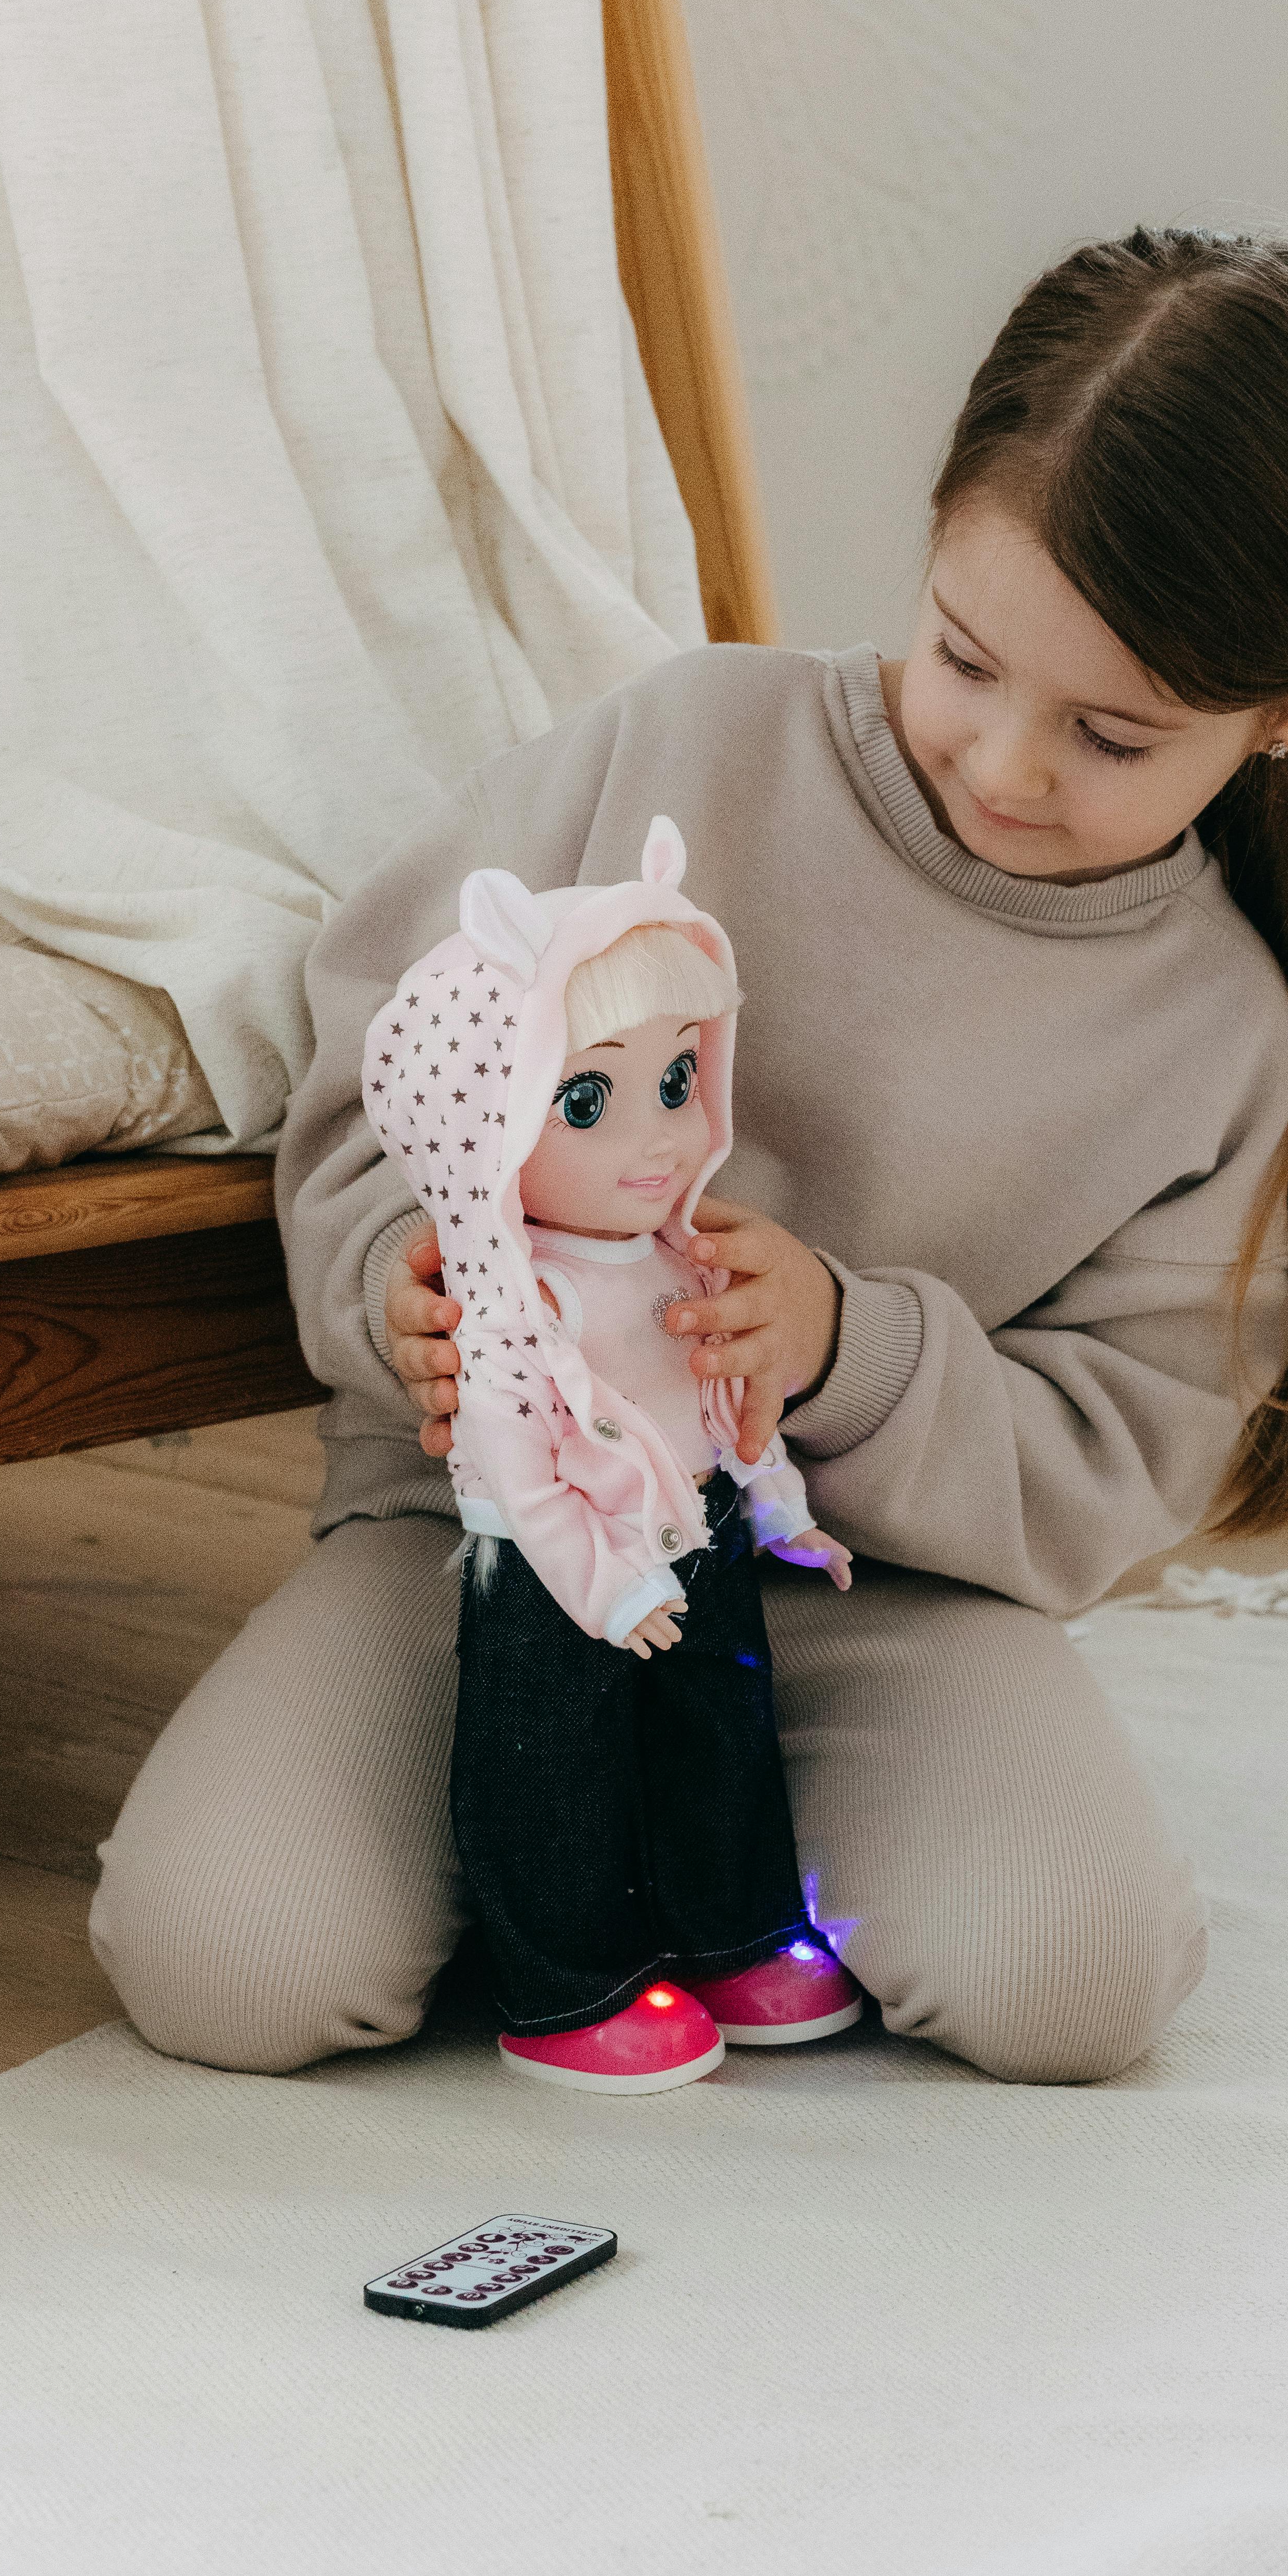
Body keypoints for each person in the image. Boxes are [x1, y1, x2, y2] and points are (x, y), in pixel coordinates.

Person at [91, 228, 1288, 2087]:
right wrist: (391, 1277)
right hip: (484, 1549)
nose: (1000, 763)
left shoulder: (1211, 1029)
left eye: (1112, 734)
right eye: (965, 658)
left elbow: (1103, 1463)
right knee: (234, 1960)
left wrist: (844, 1349)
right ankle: (591, 1856)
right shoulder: (678, 744)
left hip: (859, 1596)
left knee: (1068, 1982)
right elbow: (379, 1062)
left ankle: (665, 1859)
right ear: (930, 540)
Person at [364, 822, 860, 2093]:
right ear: (484, 1125)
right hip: (558, 1566)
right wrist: (606, 1583)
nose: (660, 1139)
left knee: (721, 1731)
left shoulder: (685, 1254)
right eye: (587, 1099)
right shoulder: (513, 1306)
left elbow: (731, 1404)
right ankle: (568, 1982)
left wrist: (777, 1497)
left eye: (681, 1082)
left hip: (698, 1530)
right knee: (553, 1760)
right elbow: (523, 1477)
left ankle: (733, 1927)